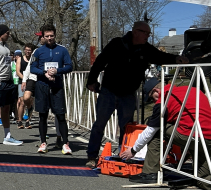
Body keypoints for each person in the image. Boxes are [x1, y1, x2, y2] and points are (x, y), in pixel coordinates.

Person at [85, 21, 188, 168]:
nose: (148, 35)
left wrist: (175, 59)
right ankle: (92, 156)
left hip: (128, 94)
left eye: (149, 33)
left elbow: (160, 56)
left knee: (126, 127)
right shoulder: (117, 44)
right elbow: (100, 62)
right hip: (108, 91)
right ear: (135, 32)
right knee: (99, 125)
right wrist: (91, 81)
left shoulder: (146, 49)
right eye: (145, 33)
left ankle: (123, 156)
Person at [120, 80, 211, 188]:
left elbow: (151, 130)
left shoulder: (163, 101)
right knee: (203, 180)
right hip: (207, 140)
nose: (154, 102)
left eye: (152, 98)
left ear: (156, 91)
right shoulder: (192, 90)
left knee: (158, 128)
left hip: (193, 137)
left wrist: (134, 150)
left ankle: (150, 173)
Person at [30, 24, 73, 154]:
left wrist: (57, 71)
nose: (50, 38)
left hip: (57, 86)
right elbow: (32, 68)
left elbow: (69, 66)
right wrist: (44, 73)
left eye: (52, 36)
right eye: (47, 36)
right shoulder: (38, 51)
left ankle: (65, 143)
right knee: (42, 115)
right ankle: (43, 142)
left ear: (55, 36)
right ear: (43, 37)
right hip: (42, 86)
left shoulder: (62, 50)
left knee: (60, 115)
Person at [0, 25, 23, 147]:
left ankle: (7, 136)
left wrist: (10, 81)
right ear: (1, 33)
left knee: (6, 109)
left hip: (8, 82)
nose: (9, 35)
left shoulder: (5, 47)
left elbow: (7, 65)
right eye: (7, 33)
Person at [16, 43, 35, 129]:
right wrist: (24, 79)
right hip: (22, 81)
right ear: (24, 50)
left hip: (31, 81)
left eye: (29, 50)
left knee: (29, 101)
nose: (27, 51)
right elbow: (18, 71)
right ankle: (19, 121)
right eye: (26, 50)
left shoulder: (34, 59)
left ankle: (28, 121)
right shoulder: (20, 59)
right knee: (21, 101)